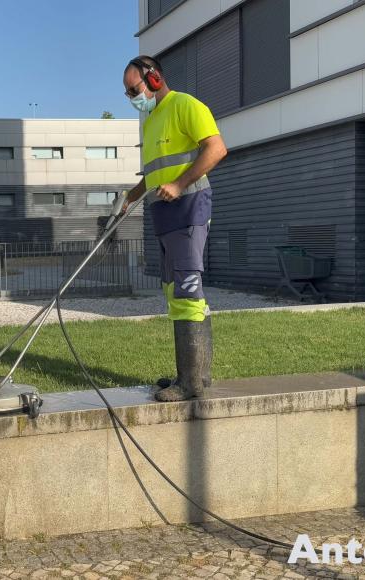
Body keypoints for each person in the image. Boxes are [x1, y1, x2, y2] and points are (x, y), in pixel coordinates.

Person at [122, 55, 227, 401]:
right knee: (174, 293)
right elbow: (155, 174)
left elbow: (216, 149)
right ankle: (195, 375)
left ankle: (190, 385)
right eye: (127, 93)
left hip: (188, 208)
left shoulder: (185, 105)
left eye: (133, 89)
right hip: (163, 214)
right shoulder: (151, 121)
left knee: (187, 293)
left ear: (153, 80)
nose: (132, 97)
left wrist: (180, 185)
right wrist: (130, 196)